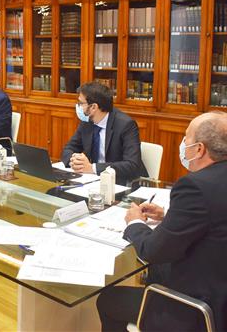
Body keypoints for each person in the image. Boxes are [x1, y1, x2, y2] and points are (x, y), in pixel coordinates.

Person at [96, 111, 227, 331]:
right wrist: (169, 218)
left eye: (187, 137)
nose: (183, 143)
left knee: (108, 299)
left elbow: (153, 251)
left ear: (200, 149)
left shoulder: (194, 186)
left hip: (197, 307)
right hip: (220, 290)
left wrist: (135, 223)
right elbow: (215, 222)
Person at [61, 82, 148, 185]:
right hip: (95, 181)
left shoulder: (125, 125)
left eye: (81, 103)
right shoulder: (87, 121)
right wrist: (74, 161)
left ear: (93, 107)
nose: (78, 107)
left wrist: (92, 168)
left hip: (124, 184)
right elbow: (68, 148)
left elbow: (132, 165)